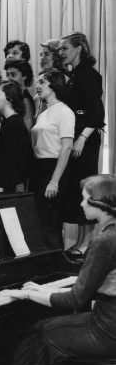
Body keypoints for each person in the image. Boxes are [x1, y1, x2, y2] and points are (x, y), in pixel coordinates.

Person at [0, 175, 116, 365]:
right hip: (110, 321)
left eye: (85, 198)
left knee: (40, 333)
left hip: (107, 329)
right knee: (47, 331)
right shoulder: (110, 232)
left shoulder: (104, 240)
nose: (81, 203)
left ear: (100, 203)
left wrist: (28, 293)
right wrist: (43, 290)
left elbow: (75, 299)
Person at [59, 32, 106, 260]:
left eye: (65, 48)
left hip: (85, 140)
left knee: (85, 189)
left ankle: (87, 242)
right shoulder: (76, 74)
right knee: (78, 190)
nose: (61, 53)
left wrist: (82, 137)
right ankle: (81, 240)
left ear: (79, 49)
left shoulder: (87, 75)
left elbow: (97, 113)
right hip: (79, 138)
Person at [30, 71, 75, 249]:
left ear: (54, 85)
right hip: (39, 168)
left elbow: (67, 147)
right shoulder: (43, 113)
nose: (37, 86)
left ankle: (56, 263)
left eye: (42, 82)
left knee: (51, 220)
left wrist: (54, 181)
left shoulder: (65, 112)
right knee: (40, 219)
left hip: (54, 168)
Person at [0, 81, 33, 193]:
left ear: (9, 98)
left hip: (9, 187)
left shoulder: (13, 124)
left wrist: (1, 186)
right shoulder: (9, 122)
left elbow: (11, 162)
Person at [3, 59, 36, 130]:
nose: (9, 78)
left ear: (24, 76)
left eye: (13, 74)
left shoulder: (25, 99)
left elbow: (28, 126)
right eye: (7, 75)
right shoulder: (16, 97)